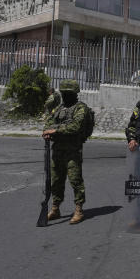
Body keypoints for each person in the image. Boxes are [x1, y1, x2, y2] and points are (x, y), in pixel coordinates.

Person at [42, 80, 95, 225]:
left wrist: (56, 129)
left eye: (68, 93)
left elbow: (76, 127)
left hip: (73, 151)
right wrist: (47, 131)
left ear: (74, 94)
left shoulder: (81, 109)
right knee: (56, 180)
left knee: (75, 180)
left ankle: (79, 209)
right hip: (57, 150)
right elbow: (48, 122)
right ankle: (55, 208)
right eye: (63, 93)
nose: (65, 96)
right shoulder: (60, 108)